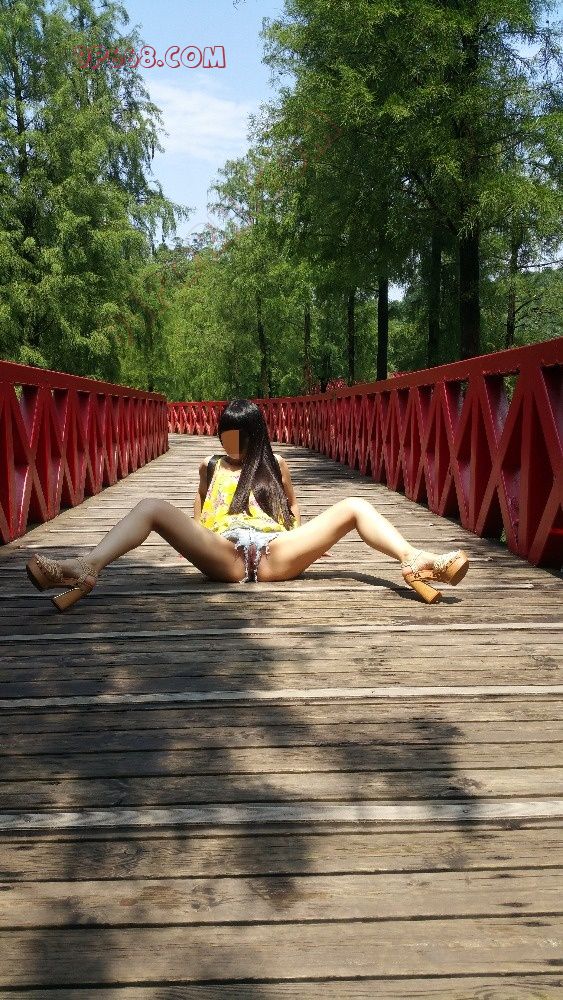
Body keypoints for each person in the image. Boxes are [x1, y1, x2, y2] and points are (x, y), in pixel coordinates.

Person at [25, 398, 469, 611]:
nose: (228, 442)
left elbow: (293, 514)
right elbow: (198, 518)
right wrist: (191, 542)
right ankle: (83, 568)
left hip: (276, 553)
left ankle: (415, 560)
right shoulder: (208, 465)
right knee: (150, 504)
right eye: (224, 433)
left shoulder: (276, 466)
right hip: (226, 554)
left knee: (353, 503)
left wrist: (309, 541)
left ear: (256, 434)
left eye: (236, 435)